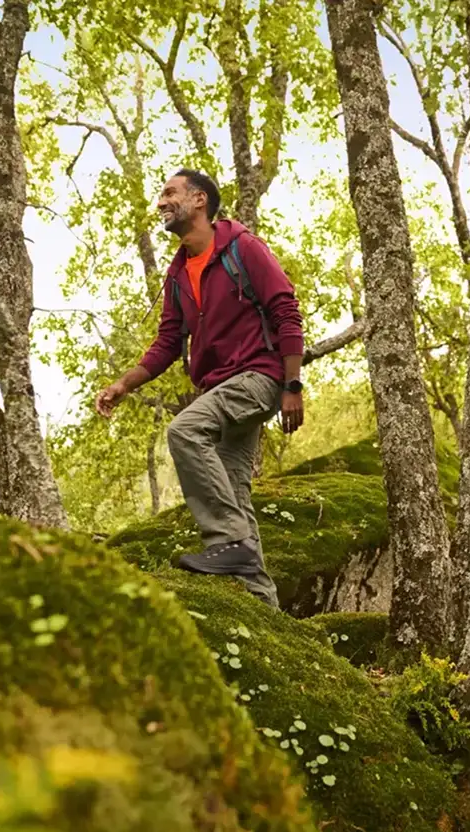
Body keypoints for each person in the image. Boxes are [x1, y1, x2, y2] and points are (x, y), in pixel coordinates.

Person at [95, 169, 305, 608]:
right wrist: (123, 385)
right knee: (233, 486)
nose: (161, 203)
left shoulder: (242, 248)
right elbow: (169, 342)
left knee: (185, 430)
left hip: (260, 376)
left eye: (170, 193)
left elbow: (285, 310)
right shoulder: (177, 274)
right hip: (221, 385)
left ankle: (228, 542)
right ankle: (264, 603)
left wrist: (292, 385)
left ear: (199, 200)